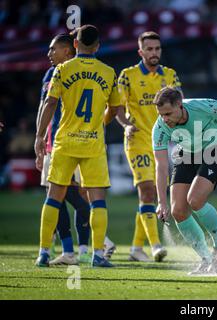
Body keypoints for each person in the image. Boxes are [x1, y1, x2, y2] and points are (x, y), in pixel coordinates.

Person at [34, 25, 121, 268]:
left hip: (65, 142)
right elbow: (114, 108)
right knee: (97, 200)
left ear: (75, 45)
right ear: (98, 46)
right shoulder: (108, 72)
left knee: (53, 197)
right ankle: (97, 255)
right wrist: (100, 122)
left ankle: (43, 253)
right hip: (93, 144)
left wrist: (39, 137)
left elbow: (50, 103)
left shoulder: (61, 70)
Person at [152, 87, 217, 275]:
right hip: (186, 153)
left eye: (168, 114)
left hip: (215, 148)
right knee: (178, 211)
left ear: (180, 105)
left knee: (195, 200)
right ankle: (206, 259)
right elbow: (161, 167)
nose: (164, 119)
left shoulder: (203, 107)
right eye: (161, 115)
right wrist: (161, 203)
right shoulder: (160, 127)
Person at [111, 31, 181, 262]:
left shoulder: (170, 75)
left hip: (161, 143)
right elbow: (118, 106)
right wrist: (125, 125)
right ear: (140, 52)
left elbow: (180, 103)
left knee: (148, 197)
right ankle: (156, 245)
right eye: (149, 49)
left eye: (157, 49)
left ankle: (135, 248)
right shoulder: (127, 75)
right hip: (137, 140)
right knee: (148, 190)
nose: (154, 53)